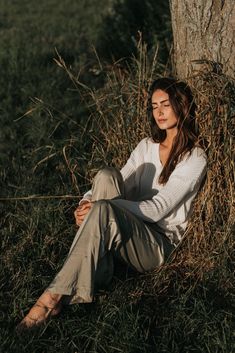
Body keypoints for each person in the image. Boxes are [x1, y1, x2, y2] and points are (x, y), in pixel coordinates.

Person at [17, 77, 207, 330]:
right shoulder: (146, 146)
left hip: (157, 245)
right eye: (154, 106)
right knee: (107, 175)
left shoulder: (195, 157)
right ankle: (101, 269)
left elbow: (159, 208)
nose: (159, 112)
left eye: (165, 105)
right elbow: (118, 179)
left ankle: (51, 298)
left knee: (105, 207)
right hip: (127, 227)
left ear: (181, 105)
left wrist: (102, 207)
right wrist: (87, 200)